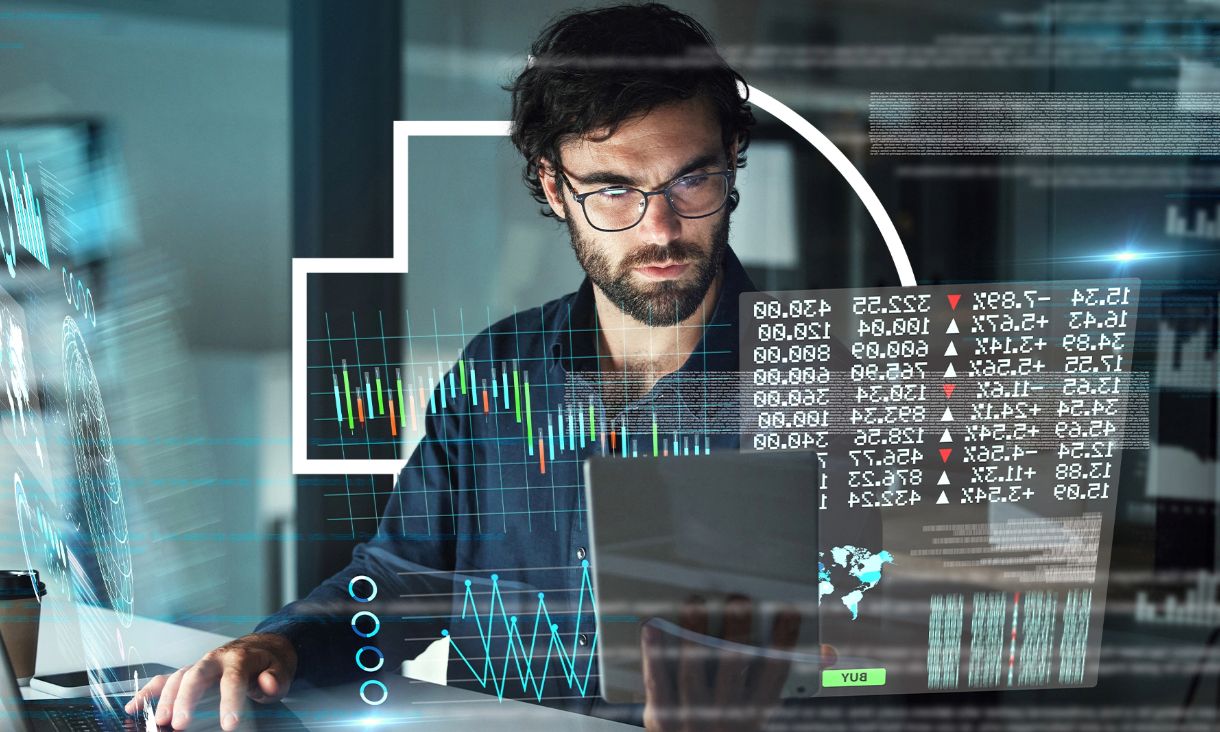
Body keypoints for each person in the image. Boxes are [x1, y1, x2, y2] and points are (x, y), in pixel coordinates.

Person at [128, 4, 801, 730]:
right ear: (553, 187)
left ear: (733, 157)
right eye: (613, 190)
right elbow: (396, 585)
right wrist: (277, 646)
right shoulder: (495, 373)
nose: (660, 229)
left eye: (690, 182)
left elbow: (909, 670)